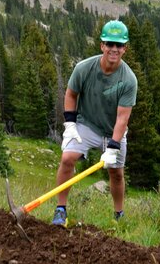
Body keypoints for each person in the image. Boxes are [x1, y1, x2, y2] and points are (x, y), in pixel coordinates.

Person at [52, 19, 137, 226]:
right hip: (87, 124)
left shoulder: (128, 80)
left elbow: (122, 118)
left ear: (124, 48)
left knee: (116, 173)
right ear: (102, 45)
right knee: (67, 158)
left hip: (113, 131)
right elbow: (71, 94)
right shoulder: (84, 68)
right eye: (109, 44)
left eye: (118, 45)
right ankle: (61, 209)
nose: (113, 49)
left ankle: (119, 214)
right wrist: (70, 125)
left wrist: (114, 145)